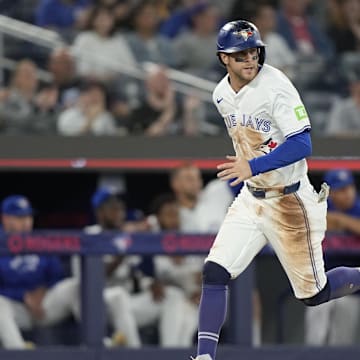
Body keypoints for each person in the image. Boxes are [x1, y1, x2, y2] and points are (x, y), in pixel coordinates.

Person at [191, 20, 360, 360]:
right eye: (241, 55)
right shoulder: (220, 94)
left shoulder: (276, 86)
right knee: (215, 271)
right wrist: (248, 164)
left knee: (314, 293)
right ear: (224, 58)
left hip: (290, 200)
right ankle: (204, 357)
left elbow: (303, 143)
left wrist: (250, 165)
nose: (250, 59)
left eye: (254, 51)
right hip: (251, 197)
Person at [0, 195, 79, 349]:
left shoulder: (39, 241)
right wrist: (22, 295)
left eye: (28, 217)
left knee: (74, 286)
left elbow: (57, 276)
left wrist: (42, 290)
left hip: (43, 305)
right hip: (16, 310)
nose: (26, 222)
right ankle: (18, 351)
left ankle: (99, 343)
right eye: (20, 217)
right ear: (5, 219)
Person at [304, 169, 360, 345]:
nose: (346, 194)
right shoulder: (322, 204)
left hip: (353, 290)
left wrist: (341, 221)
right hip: (322, 286)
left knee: (341, 341)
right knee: (314, 339)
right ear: (330, 192)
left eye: (348, 188)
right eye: (339, 190)